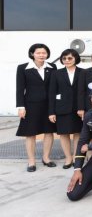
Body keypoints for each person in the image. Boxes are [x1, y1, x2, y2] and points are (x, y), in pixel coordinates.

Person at [16, 43, 57, 172]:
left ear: (47, 54)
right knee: (30, 133)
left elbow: (54, 87)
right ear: (32, 54)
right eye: (38, 53)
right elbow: (20, 88)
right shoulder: (23, 68)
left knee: (49, 131)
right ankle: (31, 161)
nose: (41, 55)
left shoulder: (52, 67)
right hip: (31, 105)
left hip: (49, 105)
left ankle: (46, 158)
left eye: (44, 53)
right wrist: (21, 106)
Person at [48, 48, 84, 169]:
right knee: (64, 133)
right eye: (64, 58)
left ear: (75, 59)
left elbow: (84, 92)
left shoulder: (83, 72)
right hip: (62, 108)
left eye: (70, 58)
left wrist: (83, 108)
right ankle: (68, 158)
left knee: (78, 133)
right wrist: (51, 112)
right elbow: (52, 93)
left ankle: (76, 157)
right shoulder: (56, 73)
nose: (67, 60)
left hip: (79, 108)